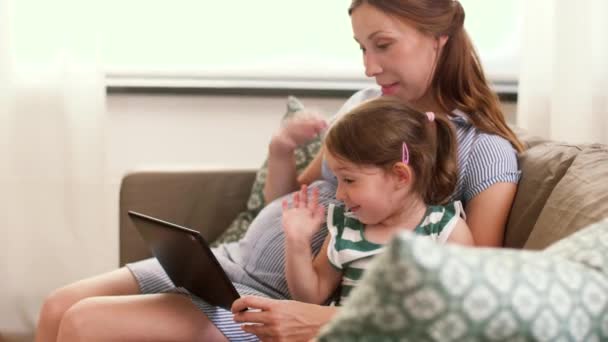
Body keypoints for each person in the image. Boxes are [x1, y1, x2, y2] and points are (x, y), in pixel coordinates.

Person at [35, 0, 523, 341]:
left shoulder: (484, 149)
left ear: (439, 39)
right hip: (228, 264)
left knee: (86, 322)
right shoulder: (365, 105)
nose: (369, 67)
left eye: (383, 45)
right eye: (361, 48)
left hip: (267, 295)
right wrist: (281, 151)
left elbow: (473, 290)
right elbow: (292, 198)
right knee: (59, 305)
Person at [282, 98, 474, 306]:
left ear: (400, 176)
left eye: (348, 180)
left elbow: (462, 311)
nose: (338, 194)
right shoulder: (345, 228)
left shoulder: (445, 231)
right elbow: (310, 297)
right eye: (338, 180)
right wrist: (297, 243)